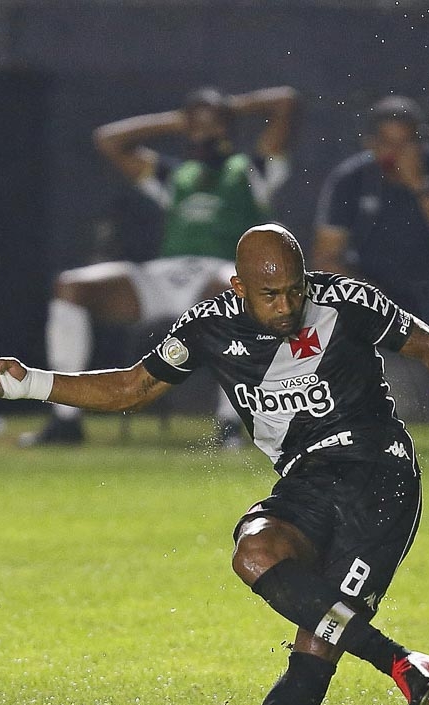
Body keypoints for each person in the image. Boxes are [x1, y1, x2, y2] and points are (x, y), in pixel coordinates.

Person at [0, 223, 429, 705]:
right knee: (255, 555)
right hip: (307, 481)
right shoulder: (208, 326)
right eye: (270, 295)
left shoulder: (346, 300)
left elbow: (427, 342)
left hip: (380, 478)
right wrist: (29, 382)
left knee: (318, 642)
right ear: (239, 287)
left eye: (294, 290)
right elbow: (134, 386)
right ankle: (398, 659)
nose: (287, 306)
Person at [21, 85, 298, 446]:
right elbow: (109, 140)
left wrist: (227, 109)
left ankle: (230, 423)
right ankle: (65, 420)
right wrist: (183, 121)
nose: (203, 130)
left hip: (221, 277)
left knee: (237, 286)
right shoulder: (174, 176)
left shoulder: (253, 171)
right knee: (72, 286)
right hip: (165, 277)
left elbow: (286, 101)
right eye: (195, 125)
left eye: (211, 124)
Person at [313, 95, 429, 454]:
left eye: (406, 142)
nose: (396, 152)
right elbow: (326, 255)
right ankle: (338, 425)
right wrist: (362, 293)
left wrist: (420, 185)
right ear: (369, 143)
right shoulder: (350, 179)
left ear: (422, 140)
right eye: (386, 142)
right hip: (377, 288)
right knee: (329, 309)